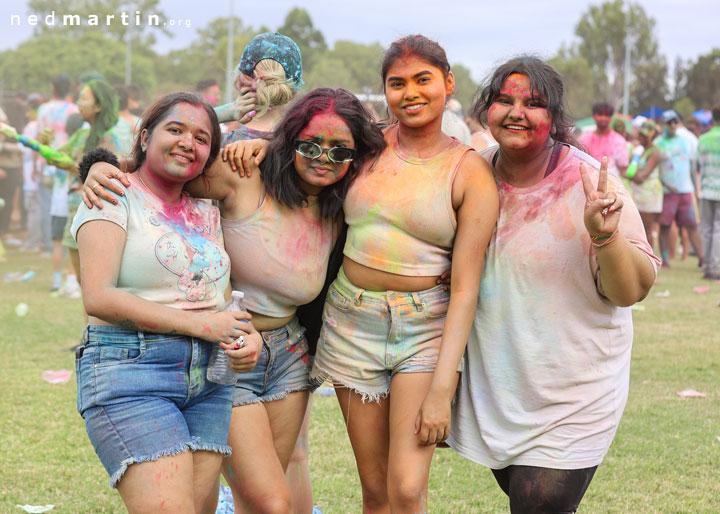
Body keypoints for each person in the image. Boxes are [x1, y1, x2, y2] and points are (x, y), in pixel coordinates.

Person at [447, 56, 660, 514]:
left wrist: (604, 234)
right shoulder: (471, 175)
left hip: (574, 394)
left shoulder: (590, 183)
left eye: (534, 103)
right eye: (504, 100)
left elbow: (633, 290)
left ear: (556, 118)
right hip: (502, 392)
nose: (517, 112)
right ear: (487, 109)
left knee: (536, 503)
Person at [307, 35, 498, 513]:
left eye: (423, 80)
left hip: (423, 331)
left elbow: (467, 287)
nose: (410, 93)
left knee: (407, 488)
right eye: (397, 83)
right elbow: (304, 152)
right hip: (352, 322)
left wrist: (442, 386)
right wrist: (252, 150)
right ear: (385, 91)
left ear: (447, 83)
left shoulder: (469, 170)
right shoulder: (364, 145)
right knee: (374, 489)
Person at [72, 91, 263, 513]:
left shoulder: (208, 208)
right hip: (132, 372)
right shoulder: (112, 193)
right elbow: (98, 296)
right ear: (144, 137)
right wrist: (201, 326)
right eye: (174, 130)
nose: (186, 143)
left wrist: (248, 338)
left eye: (201, 138)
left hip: (209, 382)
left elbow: (219, 296)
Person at [40, 80, 122, 300]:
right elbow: (56, 158)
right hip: (73, 211)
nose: (79, 103)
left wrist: (73, 166)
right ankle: (87, 329)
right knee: (81, 281)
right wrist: (44, 144)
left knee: (96, 280)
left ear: (98, 106)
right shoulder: (81, 136)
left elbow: (110, 176)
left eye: (84, 98)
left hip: (96, 212)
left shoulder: (109, 138)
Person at [655, 109, 704, 268]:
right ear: (663, 124)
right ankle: (665, 259)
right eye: (669, 122)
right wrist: (666, 184)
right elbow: (655, 171)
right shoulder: (657, 143)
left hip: (685, 191)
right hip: (668, 193)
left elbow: (691, 166)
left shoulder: (685, 141)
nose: (673, 125)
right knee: (665, 226)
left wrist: (696, 189)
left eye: (675, 122)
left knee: (692, 226)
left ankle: (702, 259)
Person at [629, 120, 665, 250]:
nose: (641, 138)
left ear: (651, 136)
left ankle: (650, 259)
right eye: (640, 134)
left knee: (647, 228)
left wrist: (630, 174)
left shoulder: (654, 152)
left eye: (644, 135)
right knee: (637, 228)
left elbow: (642, 177)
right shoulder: (639, 150)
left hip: (649, 193)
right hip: (638, 192)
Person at [697, 105, 720, 280]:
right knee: (718, 229)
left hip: (705, 189)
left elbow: (697, 165)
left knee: (705, 228)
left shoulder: (703, 139)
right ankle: (715, 267)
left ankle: (706, 265)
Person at [579, 102, 629, 178]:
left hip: (612, 185)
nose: (603, 118)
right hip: (588, 184)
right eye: (600, 114)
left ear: (610, 118)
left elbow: (623, 170)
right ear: (594, 116)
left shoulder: (619, 141)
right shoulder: (584, 139)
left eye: (607, 115)